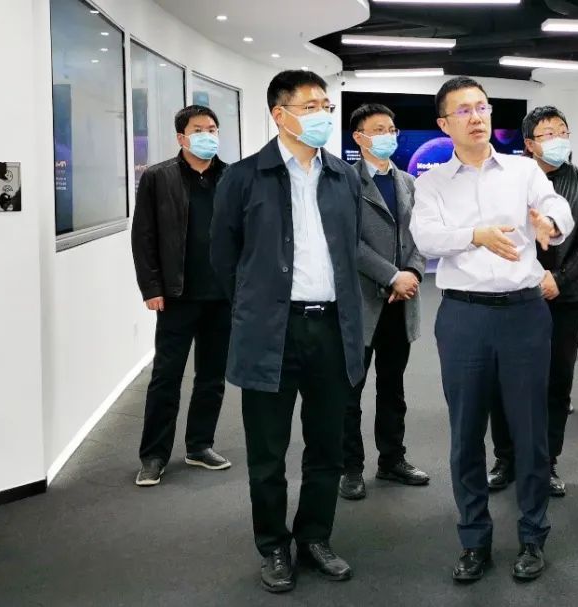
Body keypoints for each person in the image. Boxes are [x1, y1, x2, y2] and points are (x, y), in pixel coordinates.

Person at [410, 77, 573, 583]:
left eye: (482, 107)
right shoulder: (432, 182)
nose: (476, 116)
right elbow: (426, 237)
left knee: (530, 431)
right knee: (465, 435)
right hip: (464, 317)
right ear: (444, 124)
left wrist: (549, 224)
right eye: (463, 110)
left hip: (524, 313)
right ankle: (474, 540)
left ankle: (533, 536)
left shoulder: (523, 170)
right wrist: (475, 235)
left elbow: (555, 204)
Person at [210, 70, 365, 594]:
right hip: (271, 332)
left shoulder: (343, 177)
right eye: (311, 106)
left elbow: (350, 250)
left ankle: (315, 536)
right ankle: (273, 545)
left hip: (332, 329)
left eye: (326, 105)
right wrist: (257, 308)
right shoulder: (244, 177)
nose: (323, 114)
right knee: (267, 452)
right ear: (280, 115)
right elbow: (224, 257)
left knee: (327, 447)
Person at [487, 106, 578, 498]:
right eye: (547, 133)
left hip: (563, 296)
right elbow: (499, 235)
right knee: (505, 380)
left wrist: (560, 277)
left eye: (562, 131)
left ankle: (546, 461)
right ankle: (505, 458)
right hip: (512, 296)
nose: (558, 140)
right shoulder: (510, 179)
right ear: (529, 144)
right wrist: (530, 275)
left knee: (557, 382)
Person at [130, 105, 231, 487]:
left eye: (212, 129)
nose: (208, 135)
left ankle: (199, 445)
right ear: (181, 137)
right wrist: (151, 287)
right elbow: (144, 236)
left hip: (221, 296)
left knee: (212, 377)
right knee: (166, 377)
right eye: (199, 129)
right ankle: (154, 455)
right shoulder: (159, 177)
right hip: (177, 295)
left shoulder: (231, 177)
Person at [338, 103, 430, 501]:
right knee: (350, 391)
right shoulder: (345, 182)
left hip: (400, 302)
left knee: (393, 389)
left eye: (391, 129)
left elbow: (421, 235)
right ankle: (350, 467)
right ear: (359, 137)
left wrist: (412, 274)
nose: (388, 135)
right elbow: (347, 241)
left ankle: (392, 459)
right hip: (361, 303)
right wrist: (392, 275)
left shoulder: (408, 182)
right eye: (379, 129)